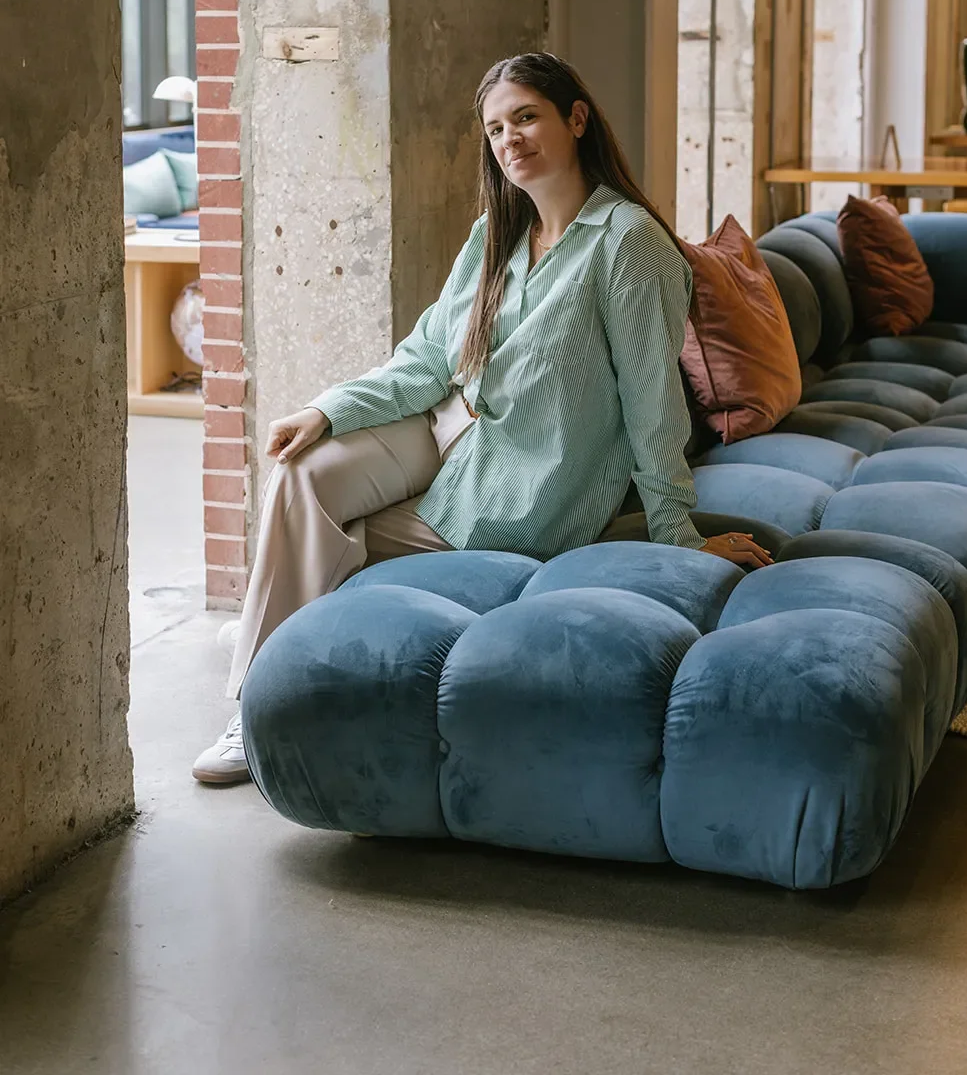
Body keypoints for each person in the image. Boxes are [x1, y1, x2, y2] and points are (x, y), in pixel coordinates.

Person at [193, 53, 772, 784]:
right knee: (304, 470)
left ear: (576, 118)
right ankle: (271, 629)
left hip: (515, 489)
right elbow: (425, 361)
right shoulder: (492, 235)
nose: (510, 140)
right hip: (442, 429)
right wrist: (326, 409)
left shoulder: (627, 243)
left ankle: (255, 700)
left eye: (526, 117)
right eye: (496, 128)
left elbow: (652, 404)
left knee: (313, 535)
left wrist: (677, 534)